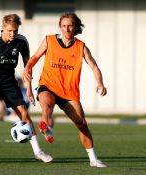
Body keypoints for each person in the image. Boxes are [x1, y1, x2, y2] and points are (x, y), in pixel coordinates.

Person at [23, 12, 107, 168]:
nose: (66, 29)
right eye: (63, 26)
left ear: (76, 27)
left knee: (81, 124)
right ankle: (47, 128)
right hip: (48, 85)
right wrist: (28, 68)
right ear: (60, 26)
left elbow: (94, 66)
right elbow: (34, 57)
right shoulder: (49, 40)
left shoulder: (81, 47)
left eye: (70, 26)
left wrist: (100, 83)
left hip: (69, 92)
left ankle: (93, 159)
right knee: (47, 106)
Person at [0, 14, 52, 163]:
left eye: (15, 31)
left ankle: (38, 152)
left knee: (23, 113)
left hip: (7, 80)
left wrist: (28, 88)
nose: (13, 34)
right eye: (9, 30)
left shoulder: (21, 42)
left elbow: (28, 66)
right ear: (3, 28)